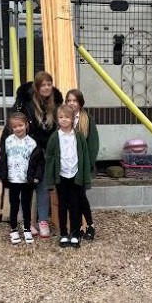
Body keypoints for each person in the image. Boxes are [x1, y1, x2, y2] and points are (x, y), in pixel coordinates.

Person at [11, 71, 63, 238]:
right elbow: (16, 123)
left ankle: (43, 221)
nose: (47, 88)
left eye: (49, 84)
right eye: (43, 85)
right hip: (29, 150)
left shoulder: (56, 103)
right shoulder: (25, 102)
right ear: (37, 87)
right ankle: (27, 222)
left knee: (43, 187)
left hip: (48, 151)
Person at [45, 104, 91, 248]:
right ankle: (64, 234)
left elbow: (84, 158)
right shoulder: (54, 137)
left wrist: (84, 178)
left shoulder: (78, 136)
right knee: (62, 205)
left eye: (67, 117)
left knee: (75, 206)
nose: (64, 120)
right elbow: (50, 158)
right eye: (61, 117)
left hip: (75, 175)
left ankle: (75, 234)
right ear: (57, 119)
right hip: (62, 176)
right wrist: (50, 180)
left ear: (72, 119)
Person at [0, 112, 44, 245]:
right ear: (11, 128)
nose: (18, 129)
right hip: (13, 180)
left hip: (26, 180)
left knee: (26, 205)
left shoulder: (32, 143)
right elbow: (3, 159)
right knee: (14, 206)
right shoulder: (9, 141)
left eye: (20, 125)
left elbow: (39, 162)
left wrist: (37, 177)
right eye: (15, 126)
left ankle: (27, 228)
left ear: (26, 125)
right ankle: (13, 229)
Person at [65, 89, 99, 241]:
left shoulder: (87, 119)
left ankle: (90, 226)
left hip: (82, 167)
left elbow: (93, 144)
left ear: (80, 103)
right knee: (72, 198)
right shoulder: (64, 118)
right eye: (69, 100)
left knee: (81, 196)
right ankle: (78, 227)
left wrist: (89, 165)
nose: (72, 103)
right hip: (68, 167)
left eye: (74, 100)